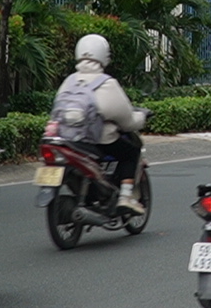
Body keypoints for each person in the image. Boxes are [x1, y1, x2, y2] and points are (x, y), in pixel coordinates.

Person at [53, 34, 148, 214]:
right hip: (99, 141)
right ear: (105, 55)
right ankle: (125, 197)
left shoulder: (69, 81)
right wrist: (140, 119)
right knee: (131, 153)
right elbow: (127, 120)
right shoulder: (106, 84)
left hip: (69, 140)